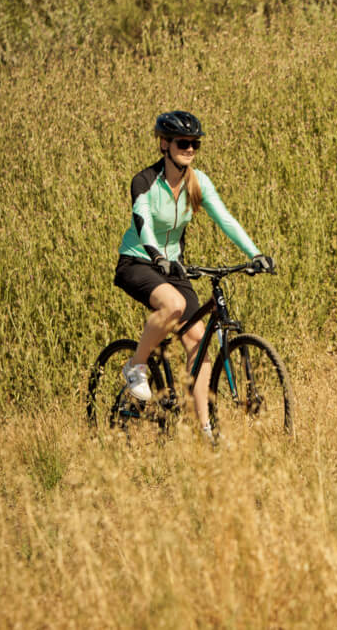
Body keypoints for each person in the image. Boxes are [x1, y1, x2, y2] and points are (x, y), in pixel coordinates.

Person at [114, 110, 274, 440]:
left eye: (194, 144)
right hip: (138, 261)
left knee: (199, 341)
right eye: (182, 142)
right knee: (172, 304)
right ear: (164, 144)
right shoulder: (145, 181)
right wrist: (156, 255)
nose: (189, 149)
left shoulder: (197, 182)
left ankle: (205, 430)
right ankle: (136, 366)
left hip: (173, 268)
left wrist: (254, 254)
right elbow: (142, 221)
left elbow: (226, 219)